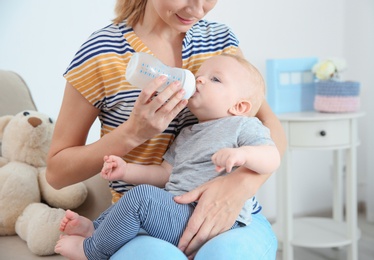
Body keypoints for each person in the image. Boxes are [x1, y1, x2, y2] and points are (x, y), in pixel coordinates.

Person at [46, 0, 287, 259]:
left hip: (232, 213)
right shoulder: (103, 53)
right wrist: (132, 134)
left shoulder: (220, 41)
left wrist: (237, 187)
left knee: (225, 253)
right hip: (141, 223)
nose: (197, 10)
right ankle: (96, 238)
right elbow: (56, 173)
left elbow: (270, 133)